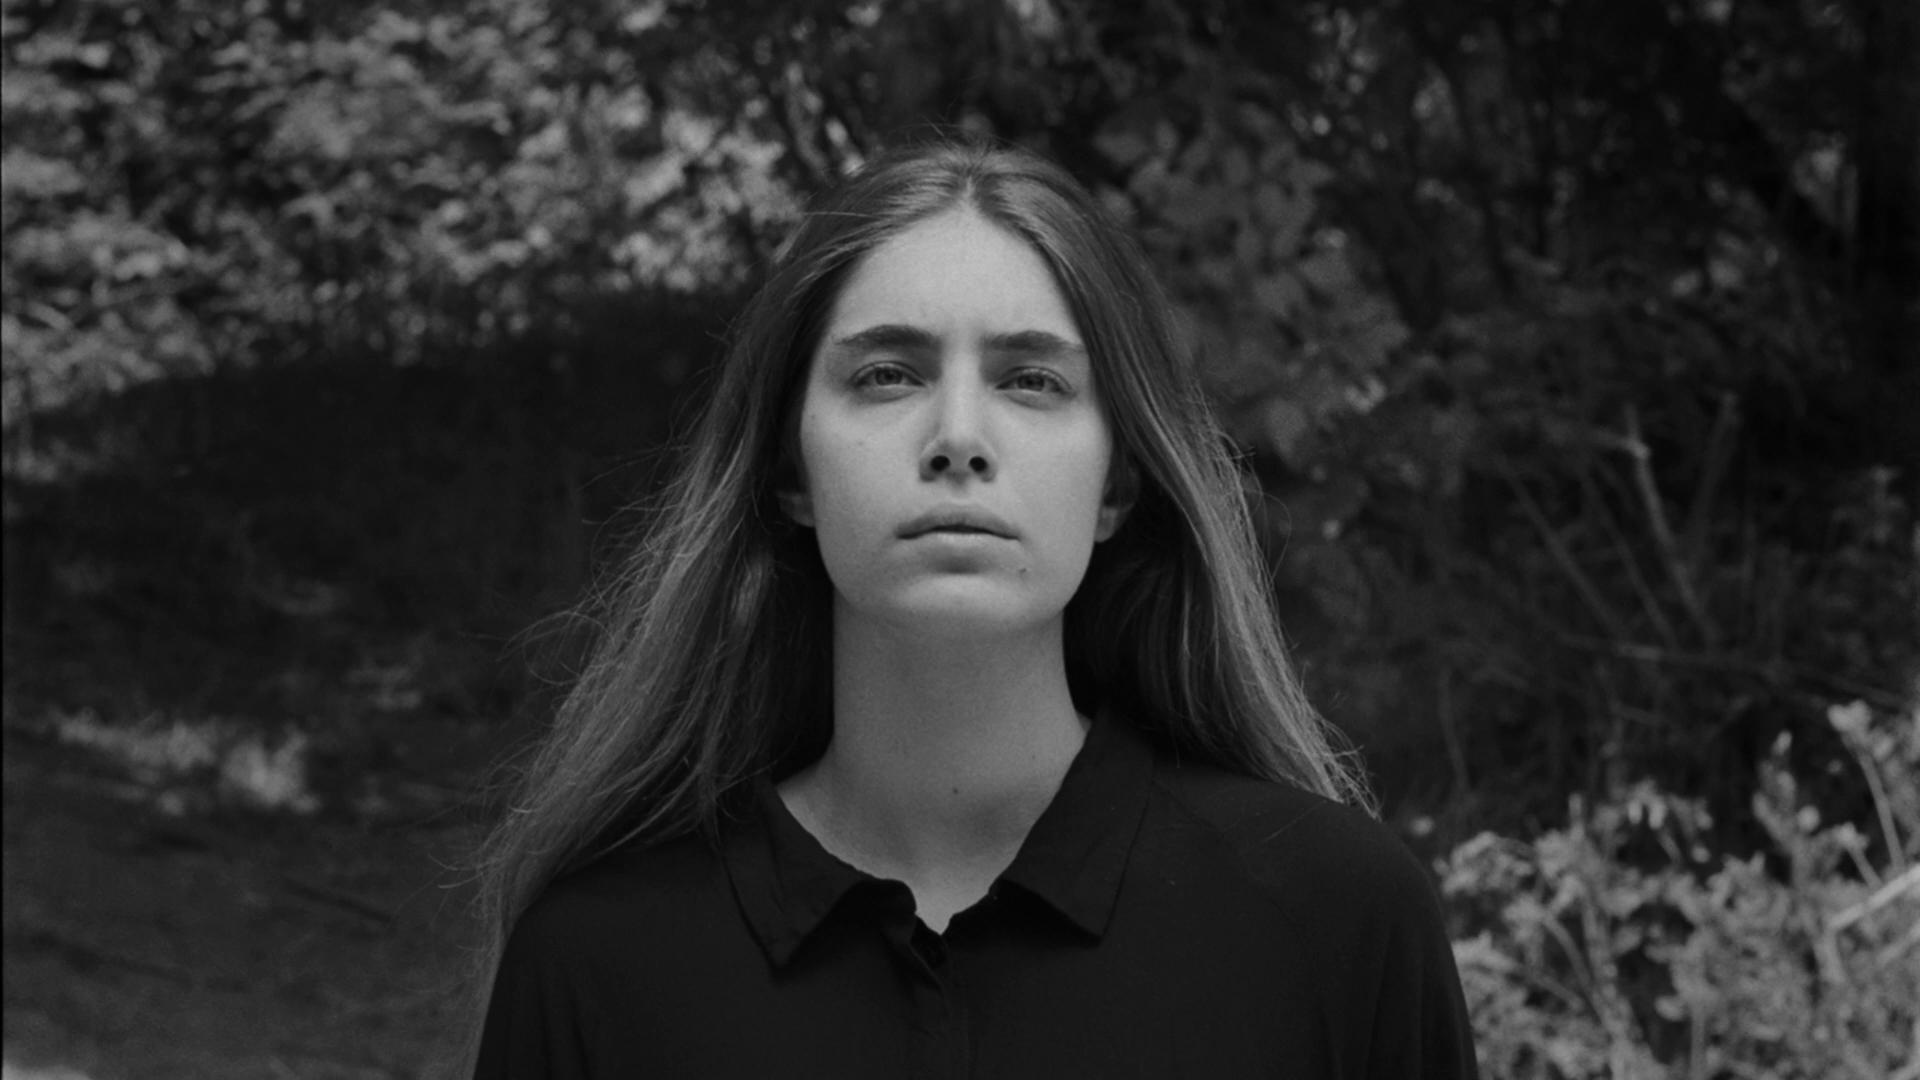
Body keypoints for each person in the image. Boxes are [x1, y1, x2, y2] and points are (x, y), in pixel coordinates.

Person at [464, 138, 1478, 1078]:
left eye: (1031, 379)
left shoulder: (1337, 921)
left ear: (1119, 484)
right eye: (886, 374)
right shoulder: (597, 960)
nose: (957, 436)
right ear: (790, 471)